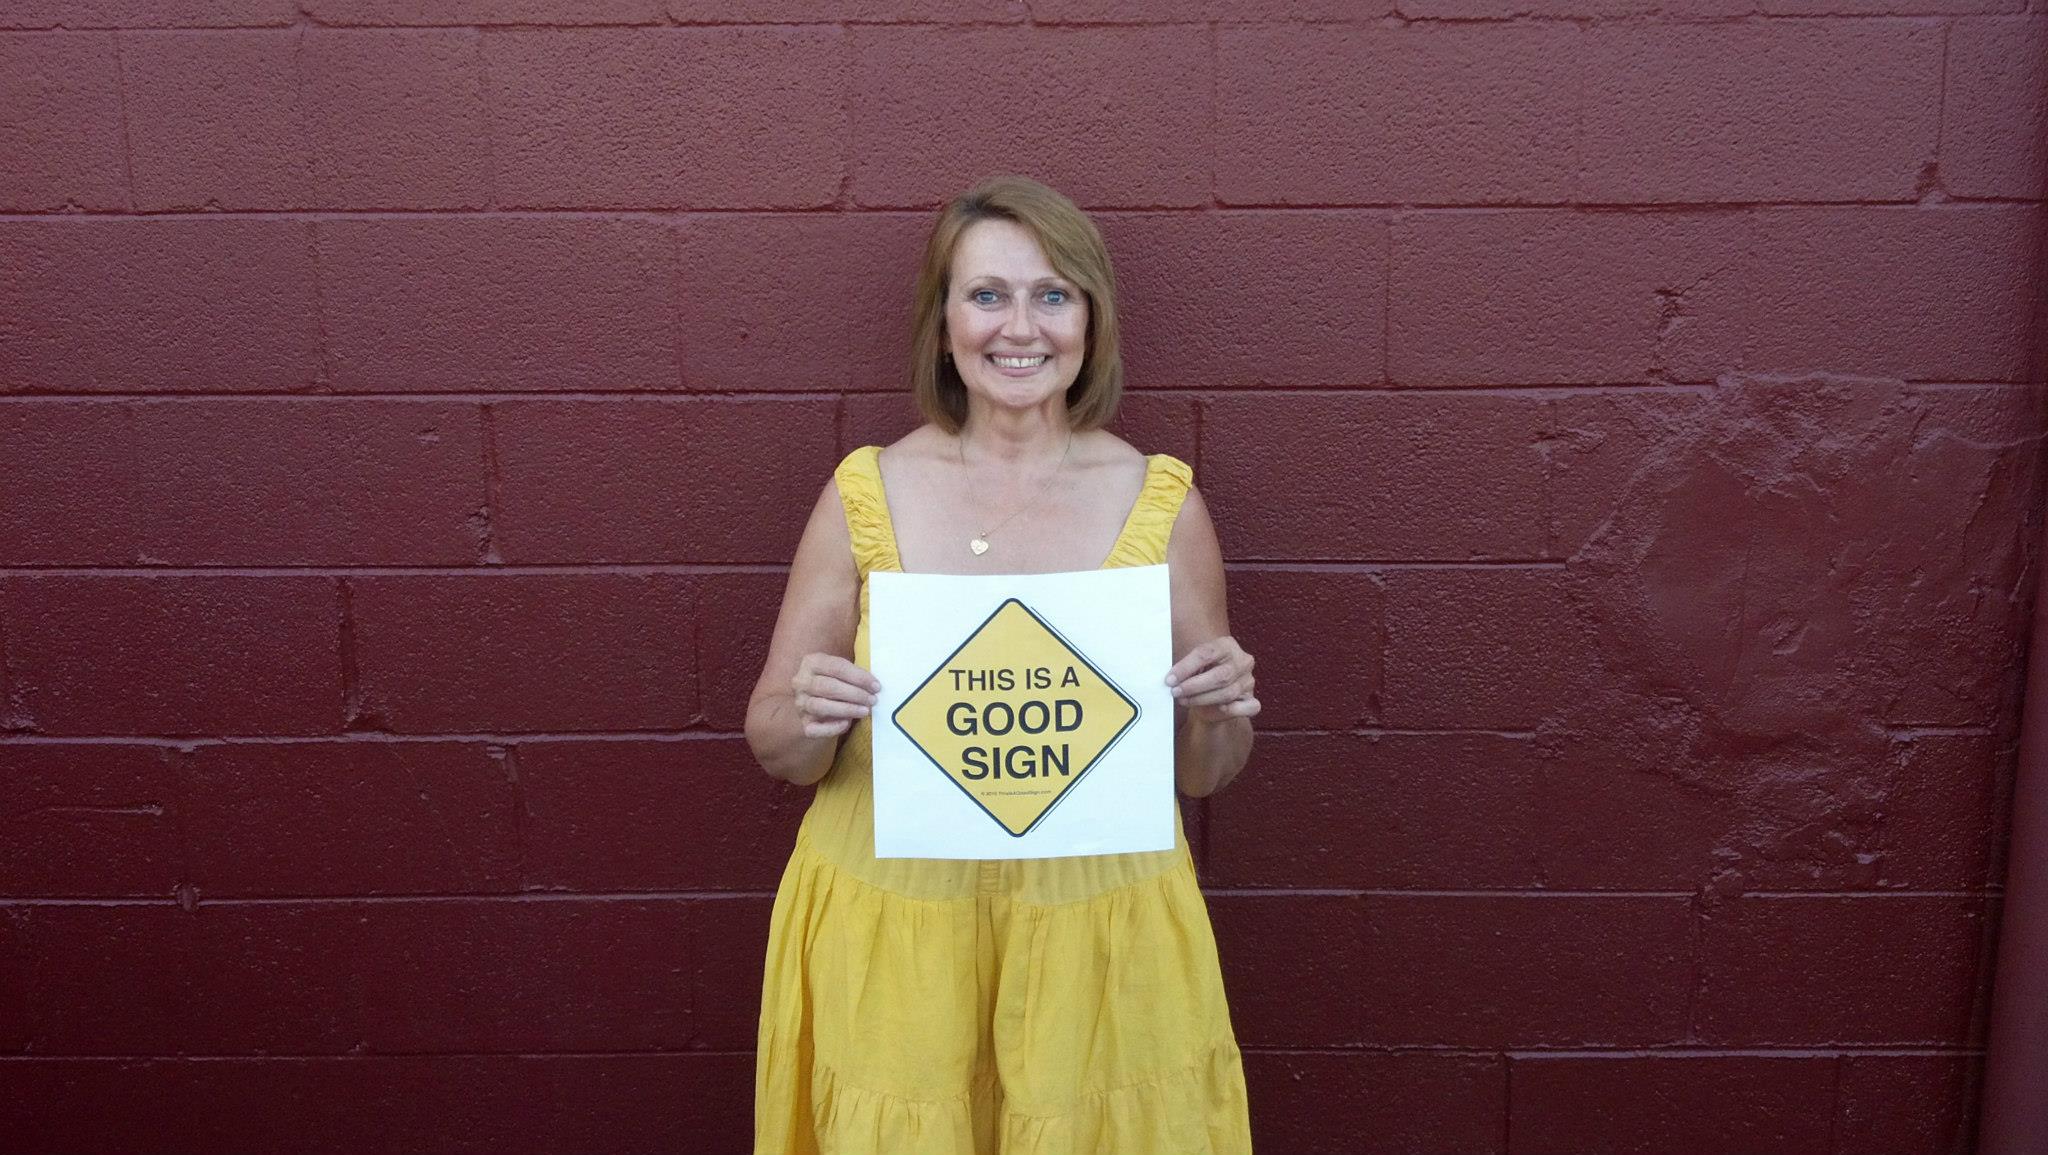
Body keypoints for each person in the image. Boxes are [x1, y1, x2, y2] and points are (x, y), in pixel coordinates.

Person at [744, 175, 1260, 1155]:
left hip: (1099, 939)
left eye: (1051, 294)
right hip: (895, 931)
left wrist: (1217, 709)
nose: (1017, 326)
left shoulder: (1158, 503)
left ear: (1088, 322)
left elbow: (1204, 772)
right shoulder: (867, 494)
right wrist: (806, 714)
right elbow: (776, 745)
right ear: (941, 326)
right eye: (985, 294)